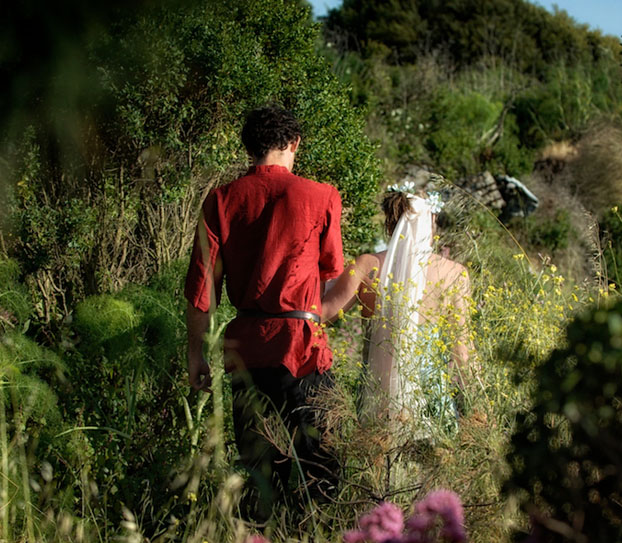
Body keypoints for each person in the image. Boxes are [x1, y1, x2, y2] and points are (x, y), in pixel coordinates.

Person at [184, 104, 344, 521]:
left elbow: (202, 293)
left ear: (250, 148)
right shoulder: (321, 196)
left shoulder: (220, 200)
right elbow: (331, 267)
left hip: (246, 349)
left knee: (259, 470)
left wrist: (195, 355)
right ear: (294, 144)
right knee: (320, 464)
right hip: (300, 347)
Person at [322, 184, 472, 443]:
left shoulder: (368, 266)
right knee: (433, 471)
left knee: (379, 471)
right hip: (431, 391)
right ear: (432, 221)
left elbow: (321, 314)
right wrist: (476, 401)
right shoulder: (453, 274)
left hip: (377, 390)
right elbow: (463, 348)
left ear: (389, 224)